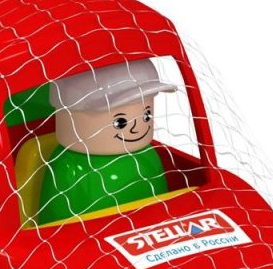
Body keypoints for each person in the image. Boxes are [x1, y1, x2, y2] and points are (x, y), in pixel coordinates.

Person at [36, 59, 176, 224]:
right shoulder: (72, 166)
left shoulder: (148, 157)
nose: (138, 128)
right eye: (120, 122)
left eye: (147, 115)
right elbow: (57, 223)